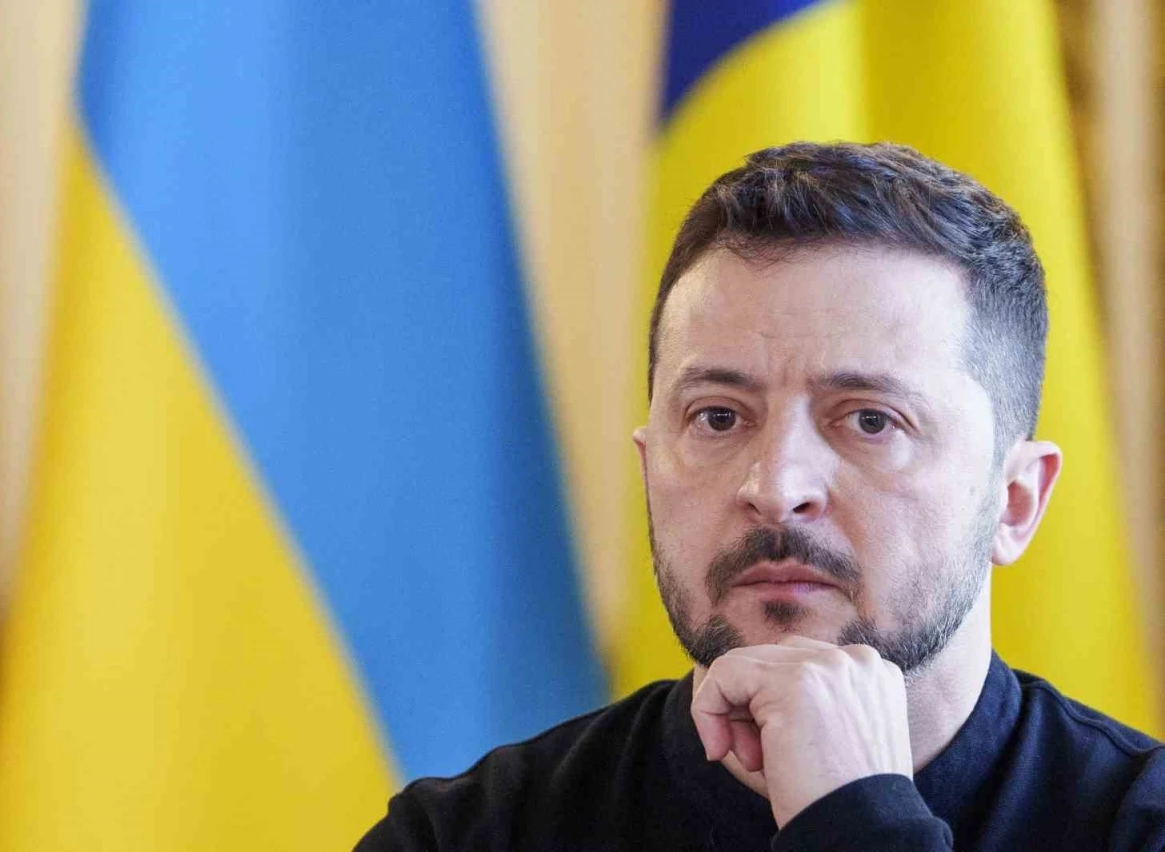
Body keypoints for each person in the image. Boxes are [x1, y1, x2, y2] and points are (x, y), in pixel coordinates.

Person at [355, 142, 1165, 851]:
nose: (775, 489)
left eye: (871, 421)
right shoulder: (466, 836)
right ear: (648, 468)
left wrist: (858, 821)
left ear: (1014, 501)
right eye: (718, 417)